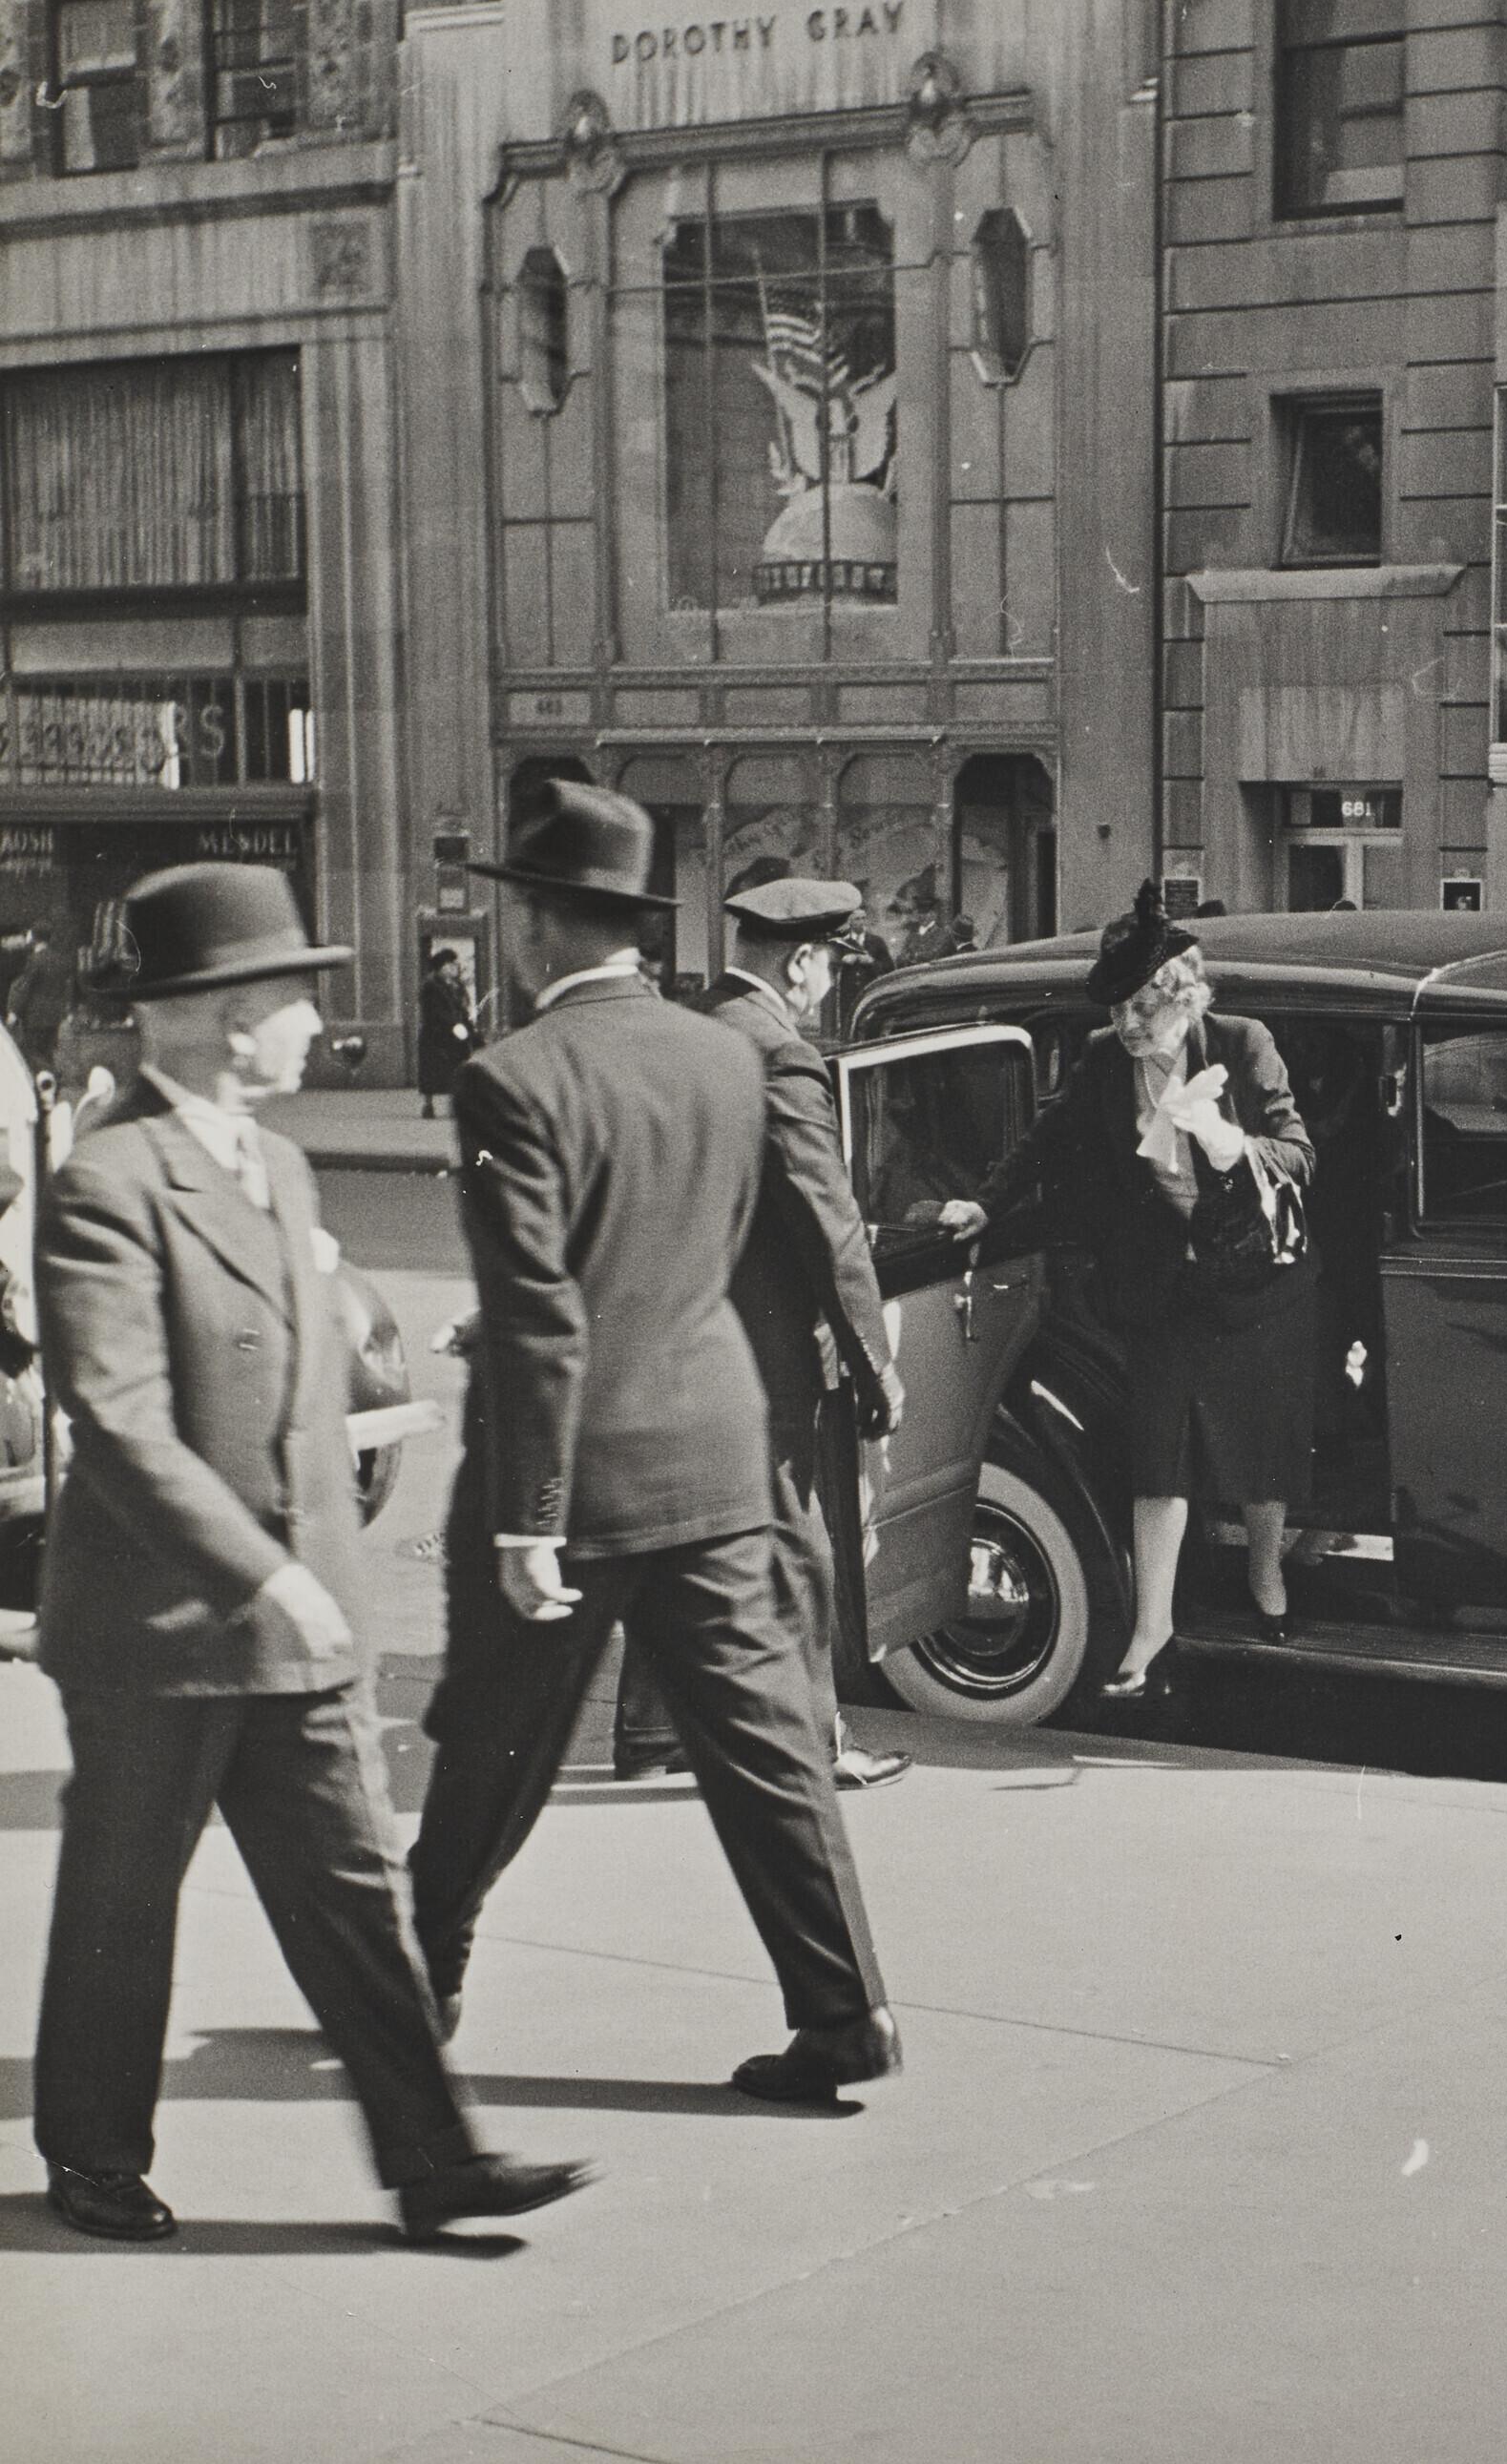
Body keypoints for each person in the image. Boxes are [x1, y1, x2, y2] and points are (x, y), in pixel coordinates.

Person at [28, 864, 591, 2244]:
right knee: (122, 1902)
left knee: (353, 1895)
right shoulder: (108, 1182)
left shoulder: (275, 1163)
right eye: (290, 995)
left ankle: (436, 2154)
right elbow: (119, 1421)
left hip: (302, 1620)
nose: (313, 1024)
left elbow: (298, 1388)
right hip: (162, 1628)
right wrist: (261, 1570)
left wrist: (318, 1569)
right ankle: (92, 2151)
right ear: (220, 1014)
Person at [408, 783, 897, 2106]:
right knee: (771, 1749)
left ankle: (419, 1976)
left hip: (576, 1481)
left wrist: (526, 1513)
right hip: (720, 1458)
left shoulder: (511, 1077)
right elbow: (704, 1251)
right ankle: (846, 2014)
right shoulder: (725, 1056)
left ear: (536, 928)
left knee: (495, 1745)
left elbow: (543, 1310)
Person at [937, 882, 1315, 1702]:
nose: (1129, 1028)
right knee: (1160, 1459)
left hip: (1252, 1282)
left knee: (1258, 1450)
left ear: (1183, 995)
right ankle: (1155, 1625)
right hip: (1160, 1284)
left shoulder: (1245, 1045)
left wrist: (1226, 1141)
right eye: (1118, 1013)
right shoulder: (1108, 1062)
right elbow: (1046, 1138)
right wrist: (987, 1202)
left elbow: (1298, 1157)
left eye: (1143, 1010)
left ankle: (1264, 1573)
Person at [611, 877, 911, 1791]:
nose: (827, 987)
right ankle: (814, 1746)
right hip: (760, 1356)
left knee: (683, 1543)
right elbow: (831, 1224)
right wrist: (878, 1366)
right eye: (828, 967)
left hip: (671, 1341)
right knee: (797, 1553)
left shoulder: (682, 1034)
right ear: (803, 961)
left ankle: (651, 1736)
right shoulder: (782, 1056)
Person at [416, 947, 478, 1120]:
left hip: (453, 1034)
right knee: (434, 1071)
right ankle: (428, 1105)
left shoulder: (455, 985)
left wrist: (467, 1025)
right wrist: (454, 1024)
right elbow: (436, 1011)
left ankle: (453, 1105)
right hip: (436, 1035)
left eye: (454, 965)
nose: (453, 968)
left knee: (455, 1070)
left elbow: (462, 1008)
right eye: (448, 965)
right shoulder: (431, 986)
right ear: (440, 967)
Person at [8, 921, 72, 1076]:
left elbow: (25, 988)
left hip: (36, 1015)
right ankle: (49, 1084)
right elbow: (68, 986)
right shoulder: (60, 960)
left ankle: (53, 1074)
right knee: (47, 1051)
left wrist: (14, 1012)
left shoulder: (35, 960)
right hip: (55, 1014)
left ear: (35, 938)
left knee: (31, 1051)